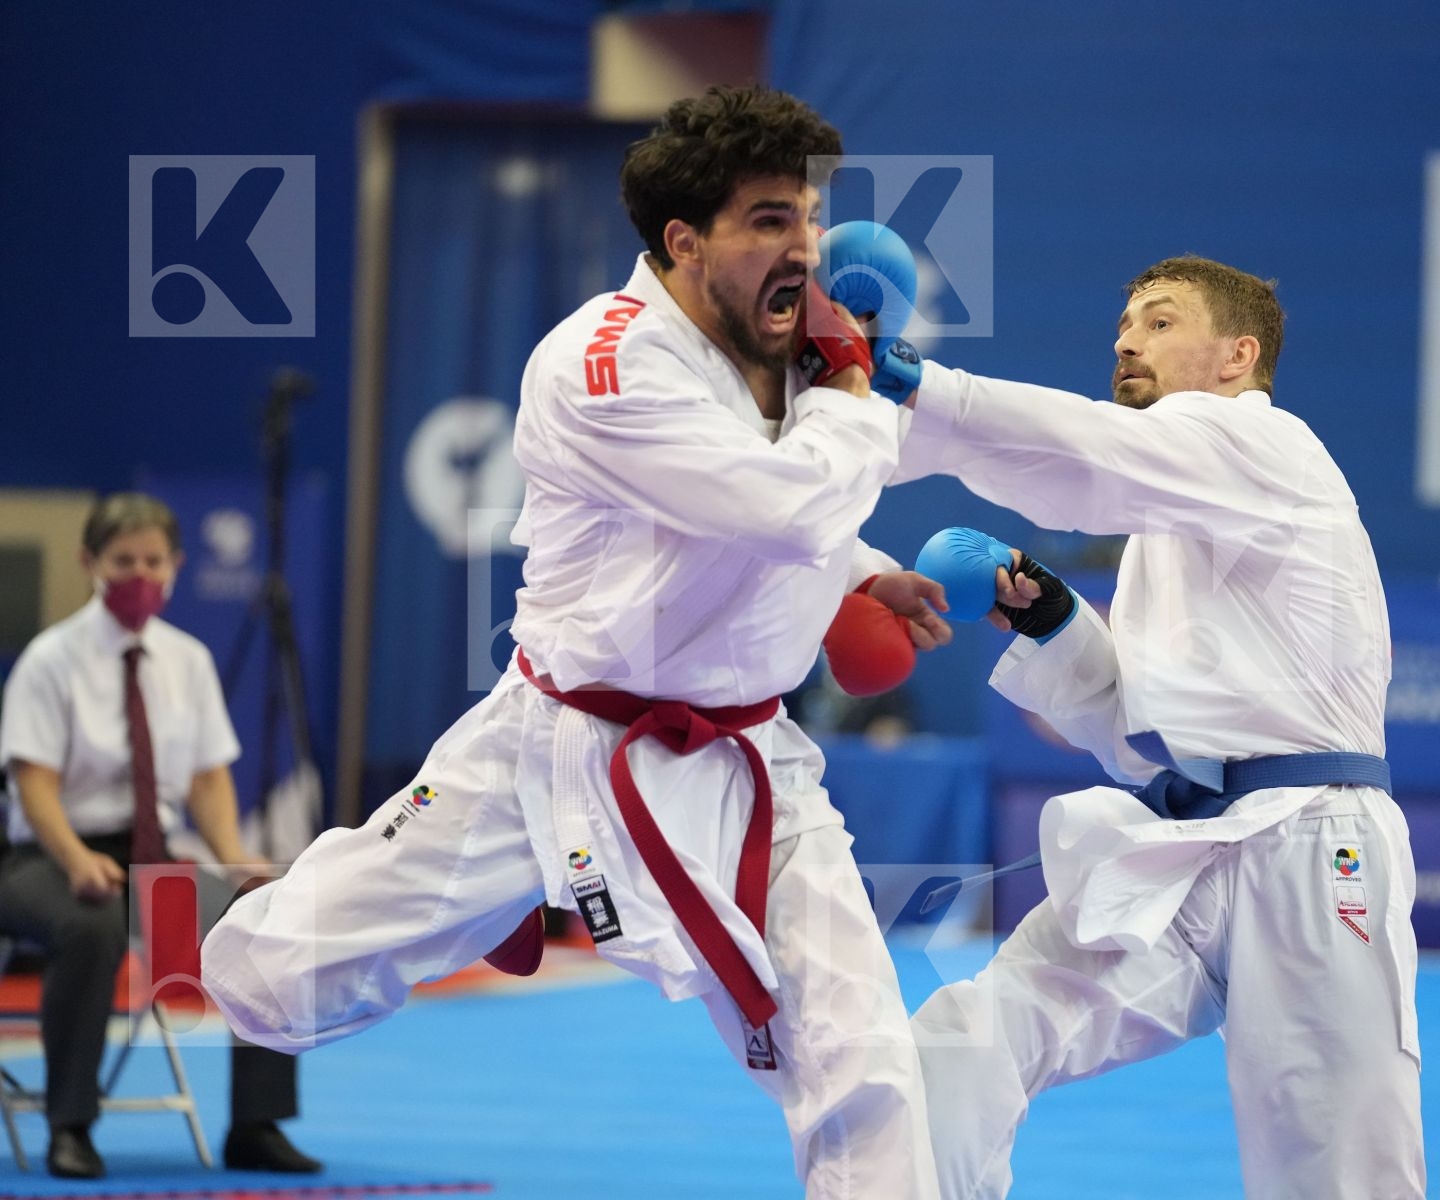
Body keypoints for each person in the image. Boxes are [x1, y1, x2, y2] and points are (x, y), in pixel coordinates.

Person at [201, 86, 950, 1199]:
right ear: (683, 242)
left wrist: (863, 566)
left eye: (805, 215)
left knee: (864, 1058)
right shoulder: (602, 368)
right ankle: (490, 893)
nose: (805, 249)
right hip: (559, 751)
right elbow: (781, 505)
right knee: (276, 975)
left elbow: (774, 525)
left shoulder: (789, 344)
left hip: (754, 768)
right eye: (767, 222)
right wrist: (852, 387)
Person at [886, 255, 1425, 1198]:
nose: (1127, 339)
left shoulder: (1266, 446)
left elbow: (1082, 457)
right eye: (1125, 323)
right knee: (967, 1044)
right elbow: (1135, 736)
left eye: (1162, 322)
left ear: (1236, 356)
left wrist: (920, 390)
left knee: (1334, 1163)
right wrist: (1056, 623)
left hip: (1313, 845)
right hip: (1188, 850)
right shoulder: (1163, 519)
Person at [0, 493, 319, 1178]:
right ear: (90, 563)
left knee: (262, 918)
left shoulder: (189, 661)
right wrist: (77, 858)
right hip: (45, 857)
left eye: (153, 561)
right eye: (123, 561)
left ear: (175, 566)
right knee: (92, 926)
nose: (139, 575)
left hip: (153, 861)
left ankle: (256, 1125)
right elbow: (35, 783)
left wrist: (235, 860)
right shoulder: (49, 660)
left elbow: (207, 779)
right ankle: (72, 1126)